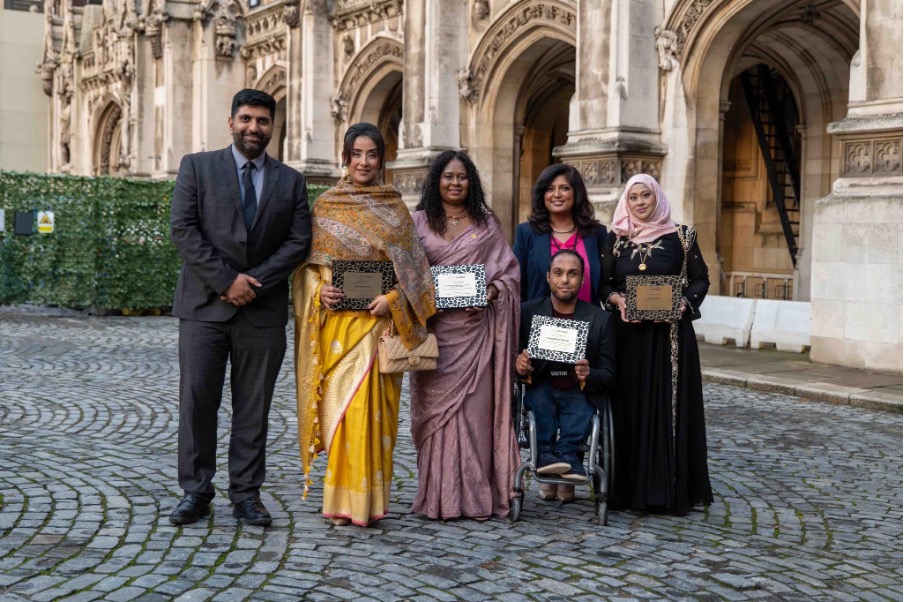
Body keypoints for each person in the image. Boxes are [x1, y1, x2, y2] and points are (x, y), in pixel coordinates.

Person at [169, 89, 312, 526]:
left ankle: (246, 494)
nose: (254, 128)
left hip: (261, 313)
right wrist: (226, 280)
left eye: (263, 121)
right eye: (246, 119)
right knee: (198, 402)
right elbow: (183, 229)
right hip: (203, 308)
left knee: (254, 408)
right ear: (231, 122)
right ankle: (196, 492)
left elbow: (298, 241)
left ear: (272, 126)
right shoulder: (197, 167)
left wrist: (254, 283)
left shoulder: (291, 180)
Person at [293, 123, 436, 527]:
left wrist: (391, 300)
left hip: (379, 330)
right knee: (341, 413)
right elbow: (306, 270)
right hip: (337, 331)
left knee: (372, 415)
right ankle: (340, 500)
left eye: (372, 154)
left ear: (382, 159)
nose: (364, 162)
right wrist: (318, 291)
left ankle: (369, 503)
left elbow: (418, 277)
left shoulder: (395, 209)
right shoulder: (326, 206)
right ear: (344, 157)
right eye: (356, 154)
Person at [409, 150, 520, 521]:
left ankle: (473, 499)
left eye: (462, 177)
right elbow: (405, 274)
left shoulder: (487, 224)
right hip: (434, 336)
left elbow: (509, 273)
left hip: (475, 337)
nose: (455, 183)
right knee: (435, 420)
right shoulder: (418, 222)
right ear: (436, 181)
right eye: (448, 176)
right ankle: (437, 498)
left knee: (474, 418)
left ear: (471, 182)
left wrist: (490, 293)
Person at [600, 173, 713, 515]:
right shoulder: (616, 239)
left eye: (645, 195)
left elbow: (700, 279)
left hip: (669, 339)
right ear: (626, 201)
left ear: (657, 197)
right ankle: (625, 491)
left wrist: (683, 303)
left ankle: (665, 491)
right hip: (627, 338)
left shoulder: (682, 236)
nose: (640, 202)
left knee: (667, 408)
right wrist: (618, 300)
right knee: (628, 407)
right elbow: (604, 284)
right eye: (633, 197)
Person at [515, 250, 616, 502]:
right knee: (539, 403)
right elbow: (512, 358)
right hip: (542, 385)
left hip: (578, 389)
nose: (565, 280)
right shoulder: (527, 312)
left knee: (582, 409)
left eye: (573, 274)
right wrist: (520, 365)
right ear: (548, 277)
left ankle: (568, 457)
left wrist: (589, 373)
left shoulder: (600, 319)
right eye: (558, 273)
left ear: (582, 280)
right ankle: (547, 458)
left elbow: (609, 374)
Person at [513, 163, 608, 304]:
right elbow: (516, 284)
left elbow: (606, 283)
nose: (556, 194)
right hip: (539, 316)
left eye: (564, 188)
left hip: (588, 316)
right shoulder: (526, 233)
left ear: (576, 193)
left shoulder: (596, 233)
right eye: (550, 189)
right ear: (542, 194)